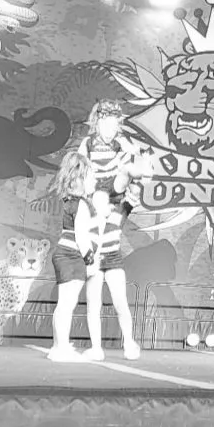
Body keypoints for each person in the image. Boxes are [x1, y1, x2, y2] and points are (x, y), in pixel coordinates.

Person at [44, 107, 147, 363]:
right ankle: (94, 347)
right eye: (107, 126)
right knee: (91, 304)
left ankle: (129, 342)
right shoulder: (86, 208)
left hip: (107, 249)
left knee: (119, 301)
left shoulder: (114, 214)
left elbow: (130, 191)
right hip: (90, 255)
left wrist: (133, 166)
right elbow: (77, 164)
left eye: (115, 127)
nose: (111, 131)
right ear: (98, 124)